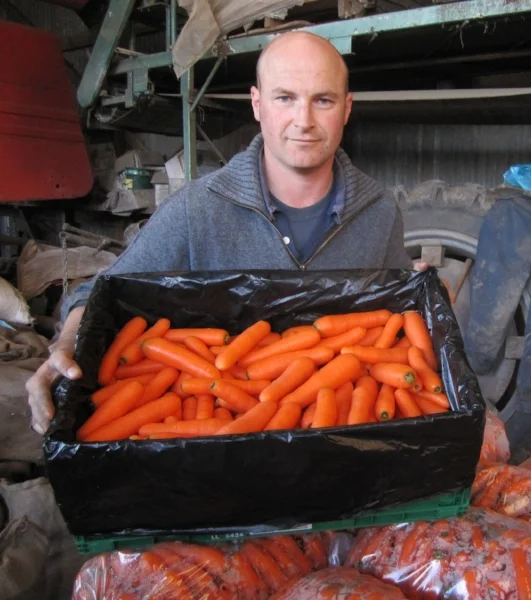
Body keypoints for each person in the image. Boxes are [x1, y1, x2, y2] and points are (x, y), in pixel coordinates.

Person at [26, 31, 420, 434]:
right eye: (285, 98)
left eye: (323, 100)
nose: (304, 120)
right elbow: (102, 293)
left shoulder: (379, 211)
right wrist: (68, 343)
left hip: (340, 436)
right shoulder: (198, 209)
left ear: (346, 108)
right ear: (257, 104)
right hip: (220, 432)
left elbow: (401, 313)